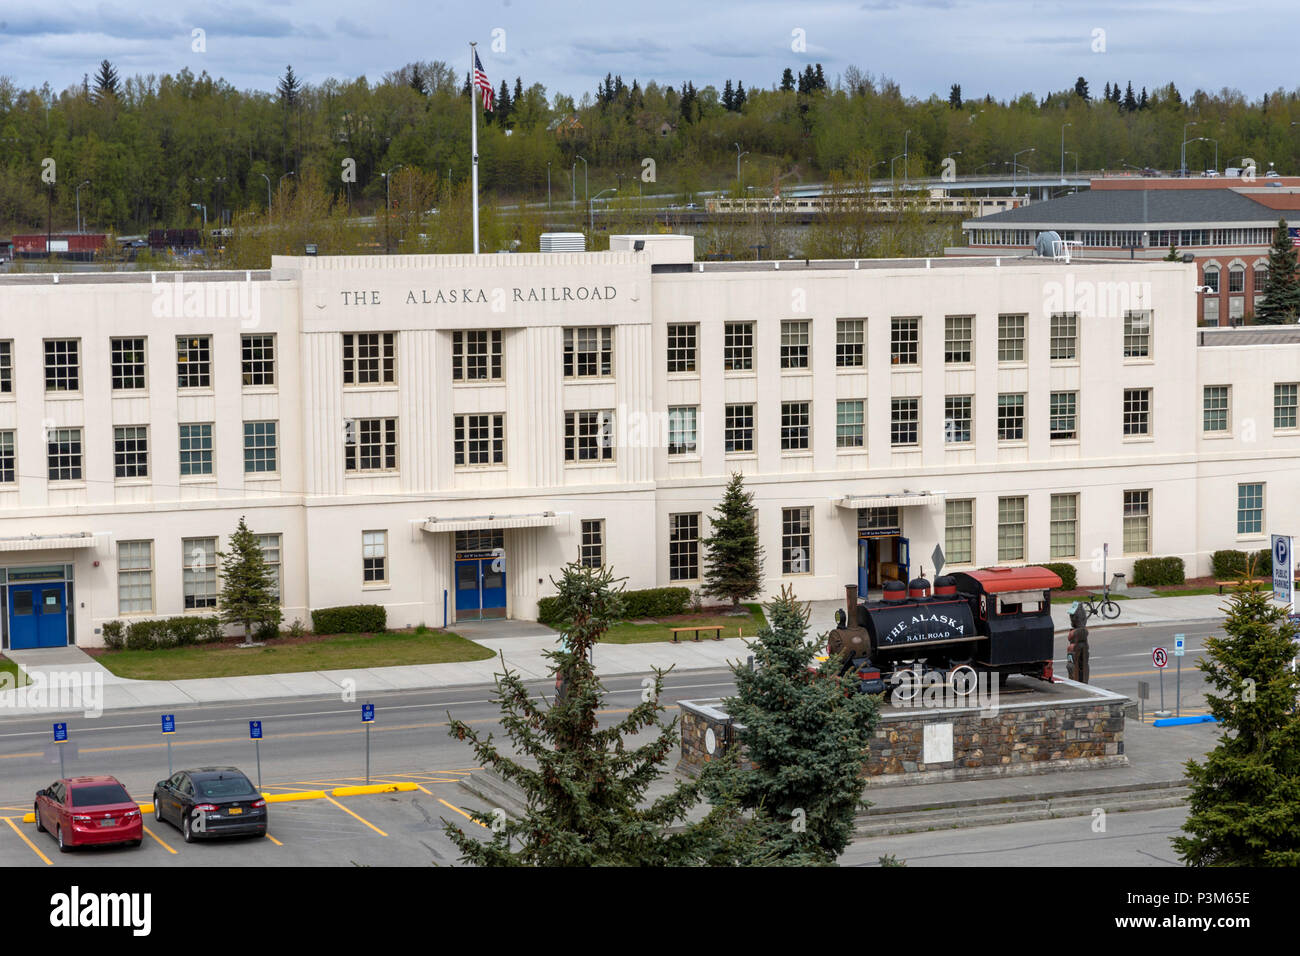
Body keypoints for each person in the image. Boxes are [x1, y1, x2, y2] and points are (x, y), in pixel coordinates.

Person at [1066, 602, 1090, 683]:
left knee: (1079, 668)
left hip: (1077, 652)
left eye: (1073, 616)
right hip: (1077, 654)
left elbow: (1070, 637)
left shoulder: (1078, 632)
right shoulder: (1079, 631)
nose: (1071, 618)